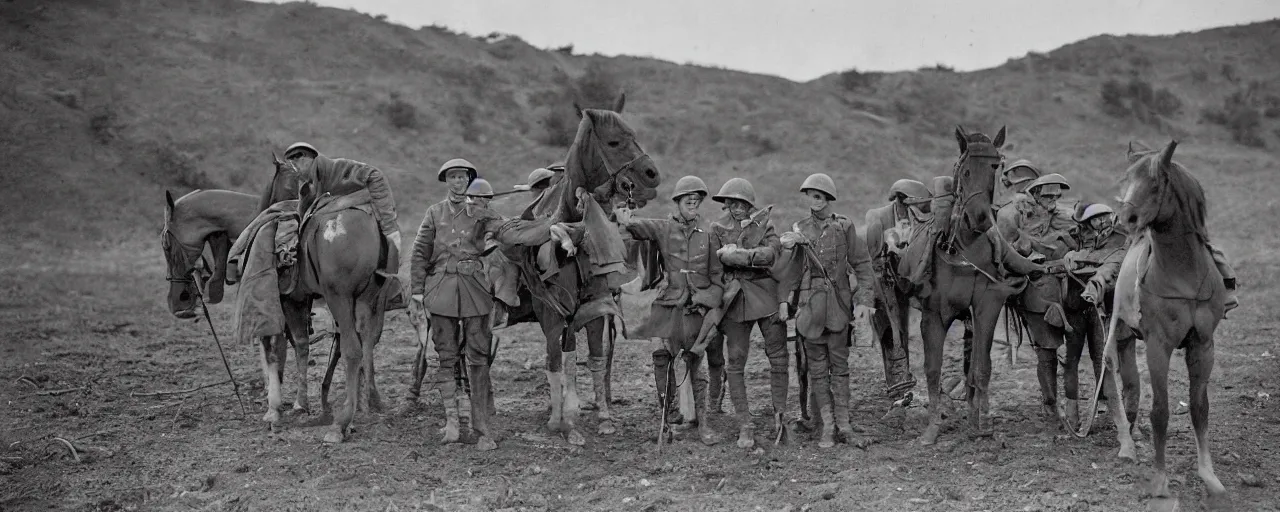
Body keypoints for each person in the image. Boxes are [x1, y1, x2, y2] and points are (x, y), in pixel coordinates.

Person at [408, 159, 521, 451]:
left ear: (469, 181)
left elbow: (508, 232)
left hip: (475, 290)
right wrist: (418, 292)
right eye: (452, 177)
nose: (457, 182)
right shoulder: (434, 213)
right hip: (441, 288)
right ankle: (452, 424)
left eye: (462, 177)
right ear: (446, 180)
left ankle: (481, 427)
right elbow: (420, 252)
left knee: (479, 356)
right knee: (445, 357)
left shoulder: (483, 214)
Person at [615, 175, 724, 446]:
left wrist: (707, 299)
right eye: (688, 198)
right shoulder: (663, 228)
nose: (693, 202)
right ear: (677, 202)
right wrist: (625, 217)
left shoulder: (709, 235)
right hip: (669, 305)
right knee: (662, 358)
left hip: (696, 309)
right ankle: (667, 419)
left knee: (697, 365)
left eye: (697, 199)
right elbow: (638, 227)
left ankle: (704, 425)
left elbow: (717, 277)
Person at [776, 173, 876, 449]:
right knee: (817, 371)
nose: (814, 199)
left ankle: (844, 425)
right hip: (810, 310)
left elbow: (863, 265)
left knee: (840, 368)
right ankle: (828, 426)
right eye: (810, 194)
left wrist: (864, 302)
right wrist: (784, 299)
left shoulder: (844, 227)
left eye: (819, 195)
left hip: (839, 308)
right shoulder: (800, 230)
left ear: (829, 198)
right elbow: (792, 271)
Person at [708, 178, 787, 448]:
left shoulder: (764, 224)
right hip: (734, 300)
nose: (736, 207)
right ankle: (745, 423)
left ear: (749, 204)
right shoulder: (717, 229)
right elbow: (714, 265)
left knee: (778, 357)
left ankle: (780, 419)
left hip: (765, 295)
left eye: (741, 202)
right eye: (731, 202)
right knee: (735, 362)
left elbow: (770, 254)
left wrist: (736, 256)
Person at [999, 172, 1080, 419]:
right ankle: (1050, 405)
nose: (1053, 200)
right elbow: (1006, 254)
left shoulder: (1063, 217)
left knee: (1076, 348)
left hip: (1069, 285)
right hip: (1036, 287)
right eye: (1047, 195)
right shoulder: (1013, 215)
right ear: (1034, 194)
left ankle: (1073, 403)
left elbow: (1078, 238)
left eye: (1057, 195)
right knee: (1046, 350)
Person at [283, 142, 402, 283]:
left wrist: (388, 223)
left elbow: (374, 175)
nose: (296, 170)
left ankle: (392, 283)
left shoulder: (337, 167)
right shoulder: (308, 187)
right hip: (343, 203)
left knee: (393, 239)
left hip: (368, 196)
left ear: (305, 157)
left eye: (296, 164)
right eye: (293, 165)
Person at [862, 178, 931, 402]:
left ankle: (904, 385)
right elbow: (872, 259)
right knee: (890, 334)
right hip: (883, 283)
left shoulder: (918, 219)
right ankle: (897, 386)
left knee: (904, 330)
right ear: (901, 200)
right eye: (913, 204)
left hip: (907, 282)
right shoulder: (878, 217)